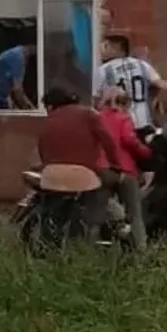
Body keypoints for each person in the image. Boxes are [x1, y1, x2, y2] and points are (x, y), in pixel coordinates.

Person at [37, 87, 122, 242]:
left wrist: (46, 165)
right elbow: (108, 141)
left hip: (51, 175)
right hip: (83, 174)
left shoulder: (50, 119)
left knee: (51, 208)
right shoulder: (89, 114)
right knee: (104, 189)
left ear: (51, 105)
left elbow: (42, 146)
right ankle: (96, 232)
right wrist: (116, 166)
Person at [98, 88, 152, 249]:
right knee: (135, 213)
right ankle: (140, 250)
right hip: (125, 170)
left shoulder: (97, 118)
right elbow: (129, 140)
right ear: (125, 103)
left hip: (103, 170)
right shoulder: (124, 118)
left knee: (98, 210)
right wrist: (147, 152)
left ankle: (94, 249)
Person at [94, 34, 167, 138]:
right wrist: (158, 110)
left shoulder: (103, 70)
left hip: (120, 125)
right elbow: (162, 85)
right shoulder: (142, 65)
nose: (102, 51)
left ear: (116, 49)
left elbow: (96, 100)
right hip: (143, 123)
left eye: (106, 46)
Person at [0, 39, 36, 111]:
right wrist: (30, 111)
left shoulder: (14, 53)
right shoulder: (18, 58)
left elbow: (14, 90)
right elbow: (17, 90)